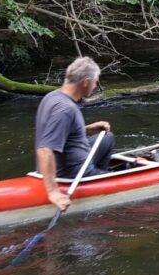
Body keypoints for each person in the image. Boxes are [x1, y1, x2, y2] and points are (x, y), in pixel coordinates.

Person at [35, 57, 115, 211]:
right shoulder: (65, 109)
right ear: (86, 82)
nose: (96, 85)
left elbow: (61, 132)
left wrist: (88, 129)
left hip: (68, 162)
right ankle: (98, 178)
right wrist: (53, 192)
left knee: (107, 137)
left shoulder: (52, 97)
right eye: (95, 81)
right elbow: (45, 149)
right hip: (72, 173)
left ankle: (101, 174)